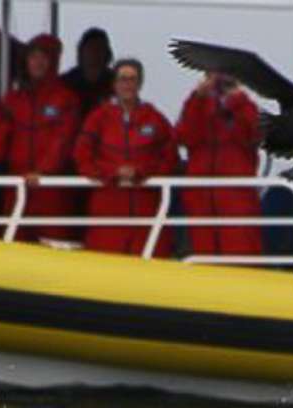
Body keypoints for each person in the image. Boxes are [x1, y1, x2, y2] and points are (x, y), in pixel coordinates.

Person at [0, 34, 81, 241]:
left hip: (51, 190)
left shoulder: (66, 99)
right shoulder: (13, 100)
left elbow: (63, 141)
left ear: (54, 61)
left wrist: (44, 171)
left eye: (44, 57)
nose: (38, 63)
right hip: (17, 185)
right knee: (13, 247)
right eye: (33, 57)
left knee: (54, 250)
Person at [74, 58, 178, 256]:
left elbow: (170, 157)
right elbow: (82, 156)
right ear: (114, 84)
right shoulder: (99, 118)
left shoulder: (155, 118)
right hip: (108, 210)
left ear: (140, 84)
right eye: (123, 79)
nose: (127, 85)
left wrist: (142, 172)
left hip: (145, 209)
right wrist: (112, 172)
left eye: (132, 79)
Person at [176, 70, 264, 259]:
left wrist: (238, 101)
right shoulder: (196, 104)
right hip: (201, 196)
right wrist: (198, 97)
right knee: (203, 256)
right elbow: (185, 136)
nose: (220, 80)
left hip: (236, 196)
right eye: (214, 75)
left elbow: (255, 135)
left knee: (241, 254)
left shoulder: (246, 106)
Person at [62, 28, 114, 113]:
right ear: (81, 52)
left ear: (107, 53)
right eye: (91, 48)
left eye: (99, 49)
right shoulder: (66, 83)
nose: (95, 53)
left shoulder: (117, 84)